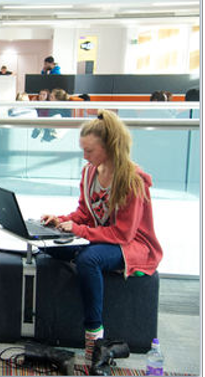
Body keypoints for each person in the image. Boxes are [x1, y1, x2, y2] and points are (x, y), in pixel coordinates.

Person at [40, 109, 163, 363]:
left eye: (90, 151)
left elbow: (123, 233)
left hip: (132, 245)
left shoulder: (132, 180)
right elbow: (85, 212)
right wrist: (62, 221)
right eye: (83, 150)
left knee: (89, 259)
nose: (85, 156)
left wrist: (79, 231)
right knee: (48, 243)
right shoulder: (90, 172)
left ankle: (95, 337)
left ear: (109, 147)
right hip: (101, 236)